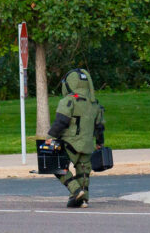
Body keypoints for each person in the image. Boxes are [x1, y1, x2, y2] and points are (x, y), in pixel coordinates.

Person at [46, 68, 105, 208]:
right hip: (87, 144)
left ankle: (75, 190)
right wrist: (100, 143)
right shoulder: (94, 103)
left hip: (70, 143)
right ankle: (83, 198)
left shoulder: (69, 101)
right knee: (83, 171)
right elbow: (99, 127)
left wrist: (50, 137)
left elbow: (61, 122)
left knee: (54, 163)